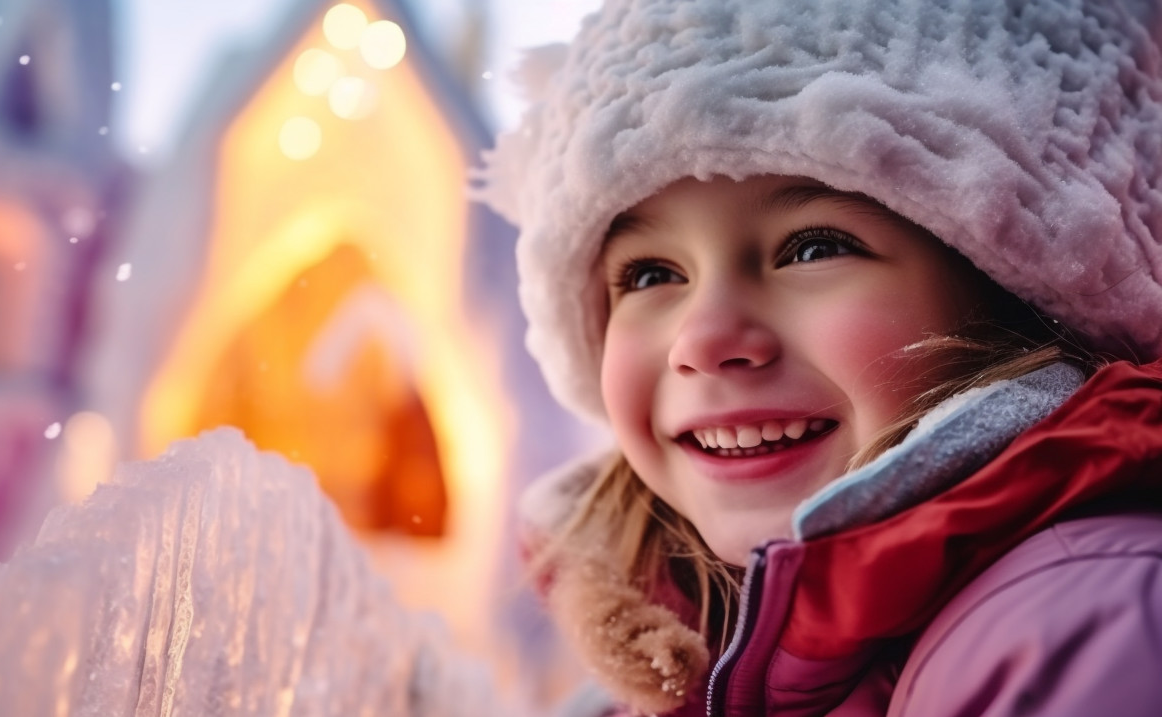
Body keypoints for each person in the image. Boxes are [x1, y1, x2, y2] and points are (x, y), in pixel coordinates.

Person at [473, 0, 1162, 715]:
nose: (703, 340)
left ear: (1012, 289)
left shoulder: (1081, 627)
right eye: (650, 274)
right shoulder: (688, 660)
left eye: (814, 247)